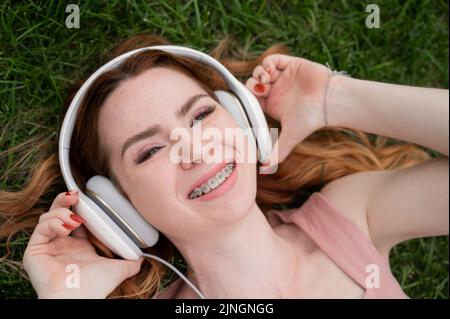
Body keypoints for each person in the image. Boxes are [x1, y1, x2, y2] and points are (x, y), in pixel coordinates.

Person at [0, 34, 447, 299]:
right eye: (149, 151)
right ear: (120, 211)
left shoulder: (353, 215)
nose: (195, 148)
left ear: (244, 121)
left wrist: (334, 98)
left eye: (200, 115)